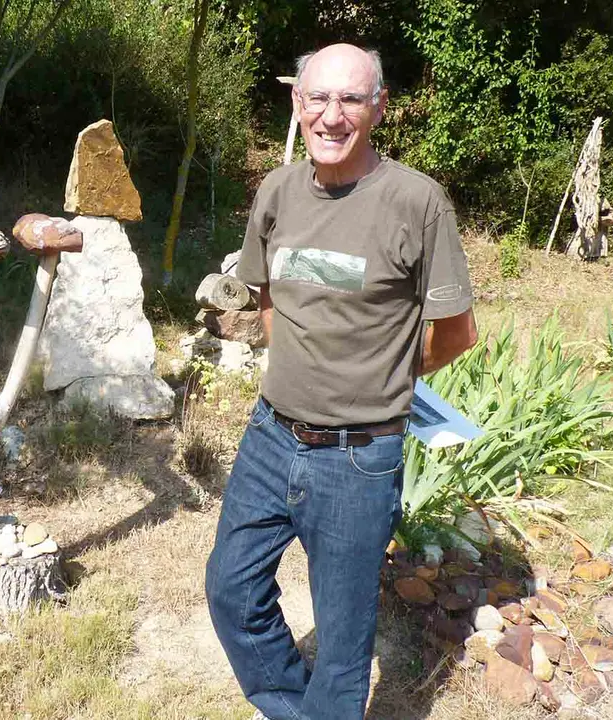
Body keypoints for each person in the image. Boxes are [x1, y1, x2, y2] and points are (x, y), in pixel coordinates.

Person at [204, 43, 478, 720]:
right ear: (296, 103)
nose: (331, 116)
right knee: (231, 591)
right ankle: (285, 705)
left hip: (358, 457)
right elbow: (266, 294)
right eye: (316, 98)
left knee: (343, 637)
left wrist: (381, 375)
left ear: (377, 108)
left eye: (350, 99)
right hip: (270, 435)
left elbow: (458, 333)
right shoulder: (277, 190)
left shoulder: (416, 202)